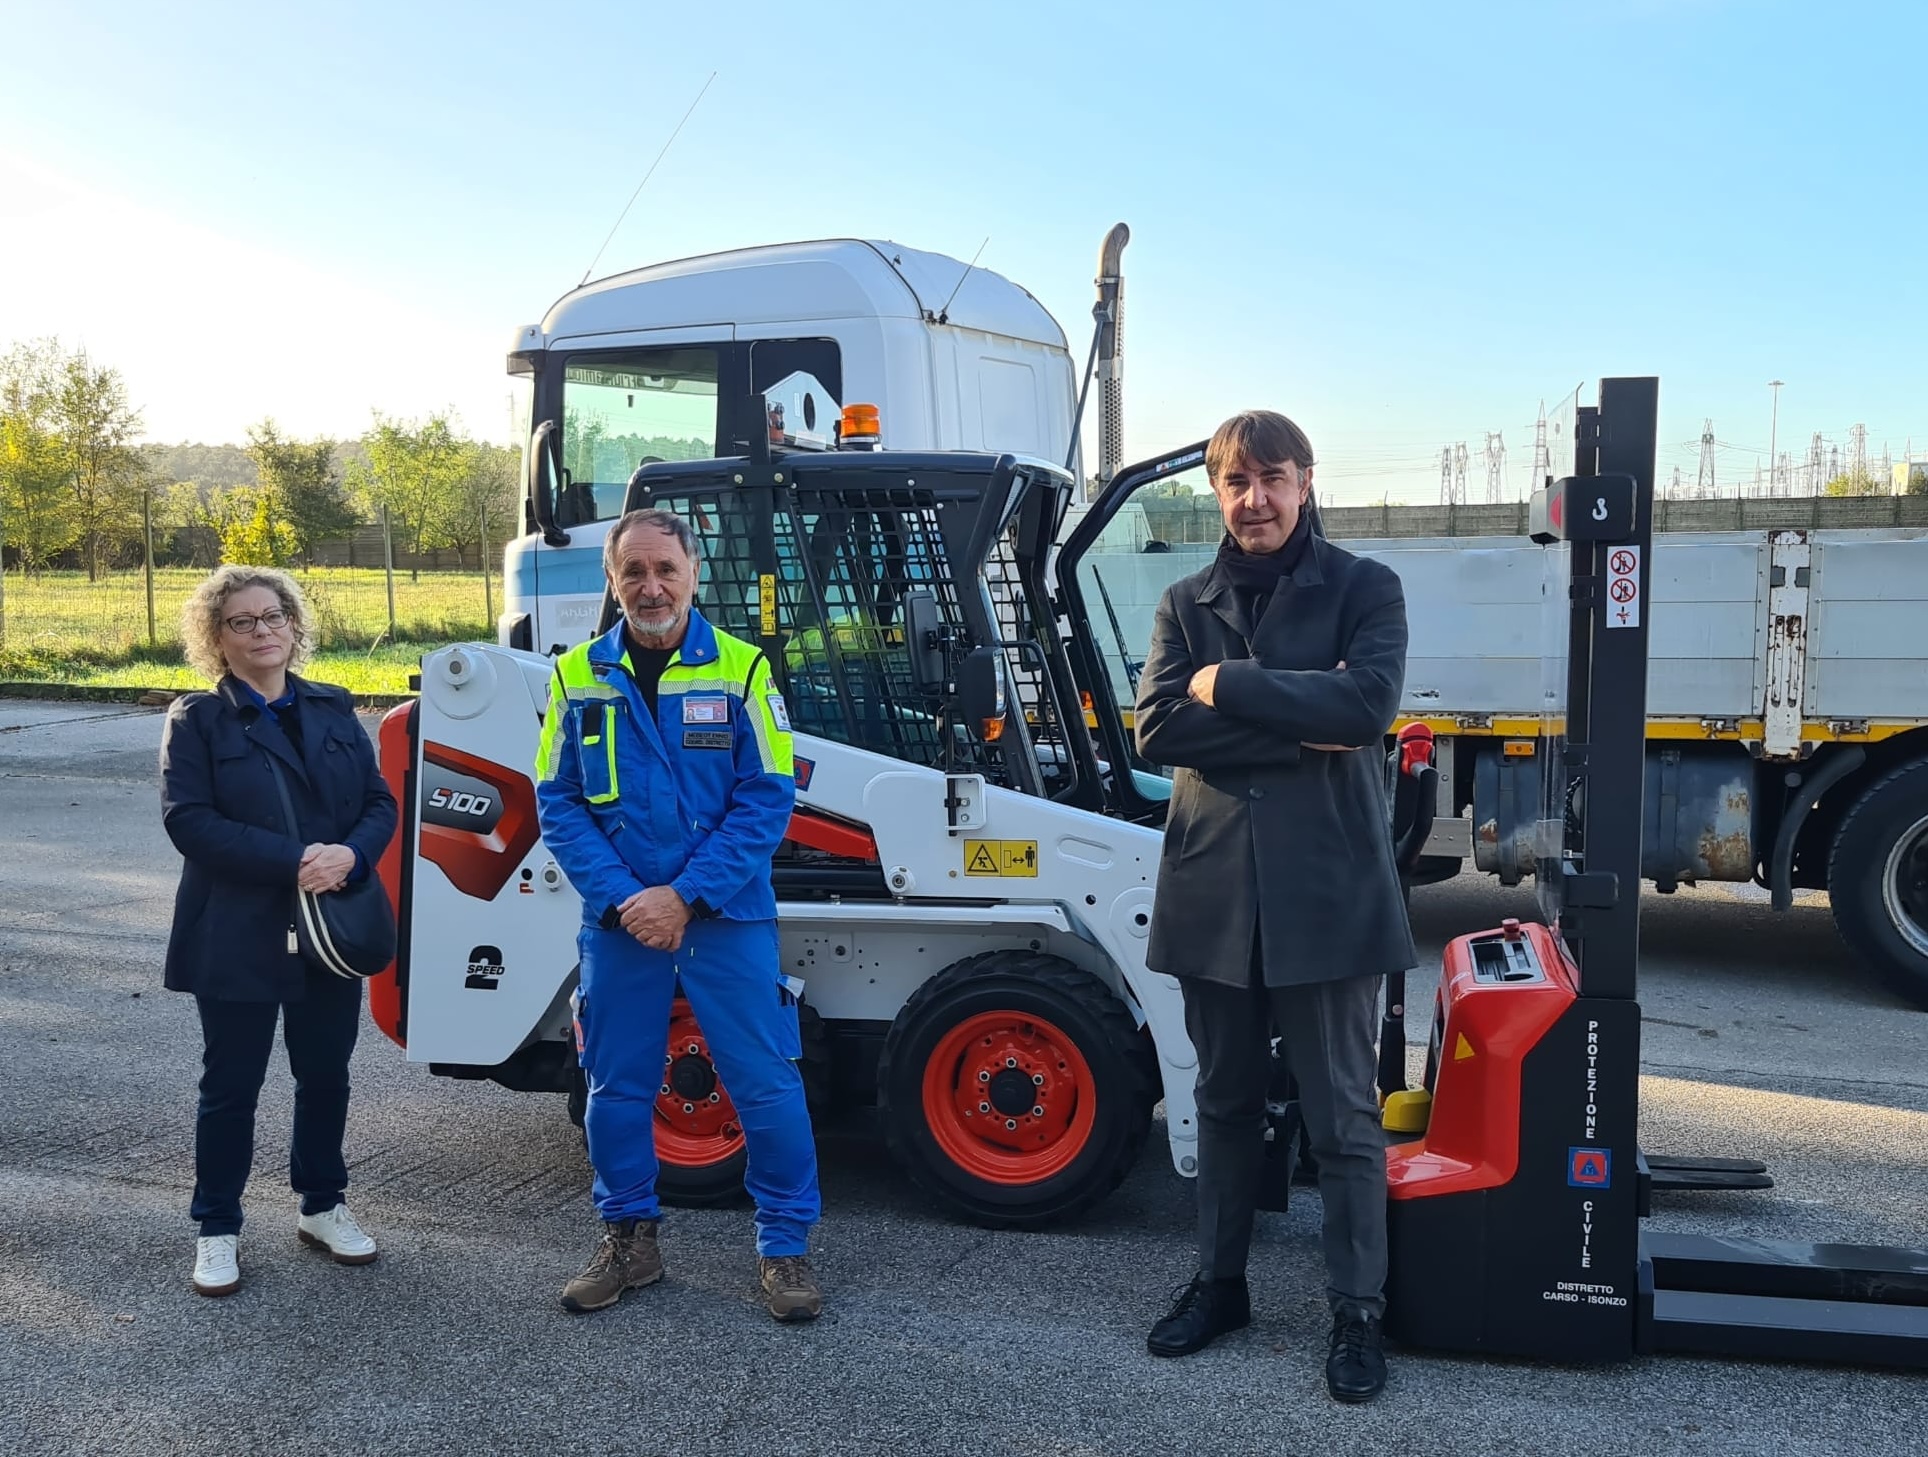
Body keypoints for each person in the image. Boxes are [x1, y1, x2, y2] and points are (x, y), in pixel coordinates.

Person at [1134, 410, 1415, 1403]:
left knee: (1342, 1116)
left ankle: (1356, 1311)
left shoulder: (1363, 589)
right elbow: (1156, 726)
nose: (1251, 499)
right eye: (1233, 481)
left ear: (1303, 481)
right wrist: (1300, 720)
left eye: (1270, 478)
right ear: (1217, 492)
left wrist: (1231, 685)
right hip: (1214, 888)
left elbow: (1365, 708)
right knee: (1221, 1102)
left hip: (1327, 892)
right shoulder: (1183, 599)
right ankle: (1219, 1283)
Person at [535, 507, 821, 1322]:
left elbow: (768, 799)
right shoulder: (574, 676)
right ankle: (630, 1240)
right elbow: (557, 803)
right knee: (615, 1089)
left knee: (764, 1085)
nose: (651, 586)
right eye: (635, 572)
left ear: (694, 574)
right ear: (613, 581)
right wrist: (632, 899)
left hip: (723, 916)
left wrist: (685, 895)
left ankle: (785, 1248)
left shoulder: (741, 670)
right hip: (621, 921)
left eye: (666, 569)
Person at [159, 566, 398, 1297]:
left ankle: (321, 1204)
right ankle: (216, 1226)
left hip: (330, 927)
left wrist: (351, 854)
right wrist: (295, 859)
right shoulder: (197, 719)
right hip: (236, 930)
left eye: (273, 617)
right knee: (231, 1085)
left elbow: (380, 803)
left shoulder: (332, 708)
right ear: (217, 637)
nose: (262, 631)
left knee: (324, 1075)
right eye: (243, 621)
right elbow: (188, 820)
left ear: (294, 626)